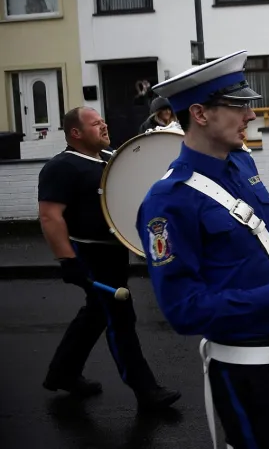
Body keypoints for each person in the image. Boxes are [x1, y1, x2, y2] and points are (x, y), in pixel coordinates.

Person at [136, 50, 269, 449]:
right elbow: (182, 308)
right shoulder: (168, 200)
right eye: (238, 106)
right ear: (200, 113)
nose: (251, 115)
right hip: (243, 368)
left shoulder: (242, 164)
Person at [38, 106, 179, 410]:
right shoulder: (62, 167)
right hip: (89, 252)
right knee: (119, 317)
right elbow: (50, 216)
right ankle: (146, 391)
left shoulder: (109, 159)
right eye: (95, 124)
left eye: (103, 120)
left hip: (113, 250)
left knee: (96, 314)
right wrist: (67, 260)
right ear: (75, 133)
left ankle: (62, 373)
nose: (103, 126)